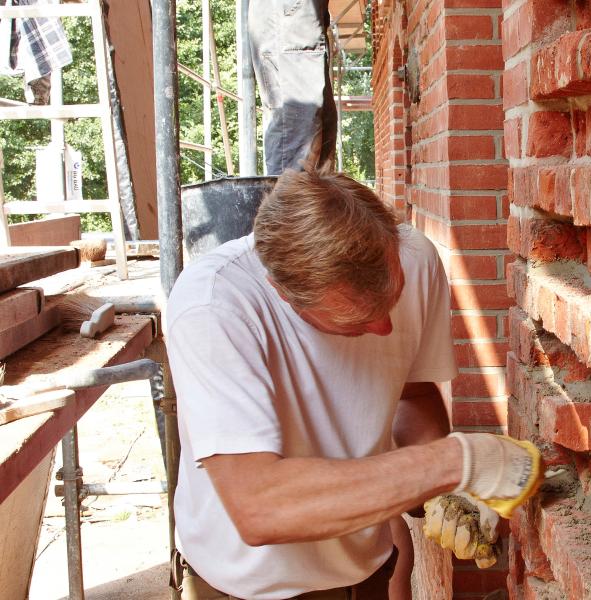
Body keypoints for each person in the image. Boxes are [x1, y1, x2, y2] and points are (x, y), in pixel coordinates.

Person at [165, 167, 542, 599]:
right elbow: (260, 507)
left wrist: (440, 495)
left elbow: (410, 393)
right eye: (356, 320)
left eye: (392, 300)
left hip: (366, 570)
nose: (384, 328)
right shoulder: (213, 307)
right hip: (248, 587)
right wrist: (459, 463)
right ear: (284, 293)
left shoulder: (416, 258)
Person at [247, 0, 336, 175]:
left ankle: (304, 199)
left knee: (322, 131)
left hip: (300, 16)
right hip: (289, 17)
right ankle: (289, 200)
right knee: (298, 136)